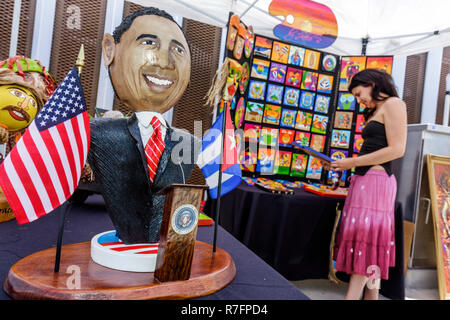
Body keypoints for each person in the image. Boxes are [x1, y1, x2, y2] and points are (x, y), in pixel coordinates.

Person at [88, 7, 200, 244]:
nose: (165, 61)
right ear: (110, 50)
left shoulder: (189, 143)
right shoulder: (96, 134)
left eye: (178, 50)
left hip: (163, 255)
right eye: (149, 42)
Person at [328, 68, 407, 300]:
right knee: (369, 246)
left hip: (376, 183)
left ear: (372, 83)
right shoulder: (378, 109)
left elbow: (397, 149)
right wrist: (345, 165)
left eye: (359, 92)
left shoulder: (393, 104)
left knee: (367, 245)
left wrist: (351, 162)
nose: (358, 99)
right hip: (365, 182)